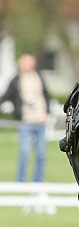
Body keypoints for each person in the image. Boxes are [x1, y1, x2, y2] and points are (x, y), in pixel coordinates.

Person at [0, 53, 50, 182]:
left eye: (29, 62)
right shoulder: (16, 79)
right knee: (25, 153)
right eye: (24, 62)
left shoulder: (39, 77)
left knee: (41, 155)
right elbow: (6, 96)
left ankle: (37, 183)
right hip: (25, 122)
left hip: (40, 121)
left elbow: (47, 95)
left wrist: (47, 113)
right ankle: (20, 182)